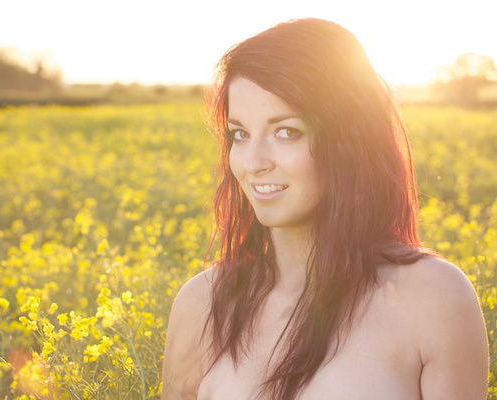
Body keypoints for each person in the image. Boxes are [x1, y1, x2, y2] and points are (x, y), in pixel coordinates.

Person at [161, 17, 489, 400]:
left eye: (287, 132)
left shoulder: (433, 298)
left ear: (350, 141)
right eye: (240, 134)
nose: (253, 161)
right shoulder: (202, 304)